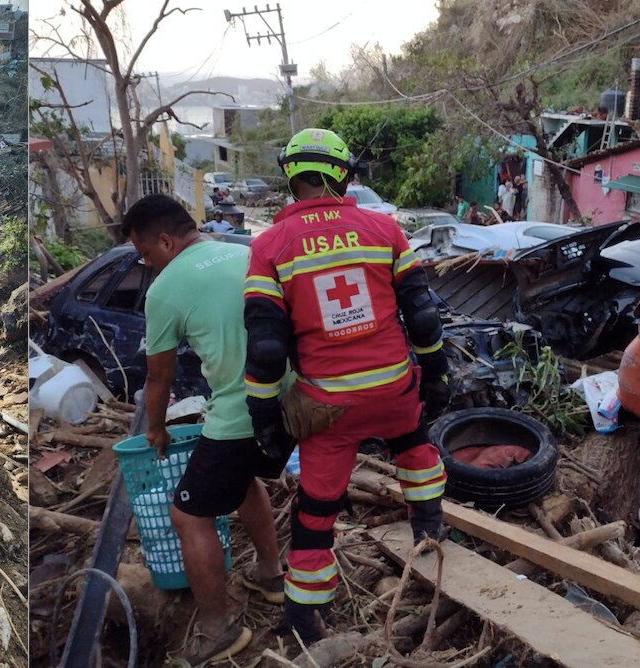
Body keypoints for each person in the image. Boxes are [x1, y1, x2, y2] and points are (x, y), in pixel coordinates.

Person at [243, 128, 449, 645]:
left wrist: (264, 416)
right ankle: (429, 531)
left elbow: (266, 350)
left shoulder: (269, 246)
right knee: (415, 446)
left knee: (316, 509)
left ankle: (306, 615)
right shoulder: (384, 229)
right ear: (343, 176)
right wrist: (437, 374)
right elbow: (423, 318)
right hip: (393, 389)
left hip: (328, 408)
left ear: (291, 179)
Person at [122, 194, 288, 666]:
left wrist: (156, 430)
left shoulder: (165, 289)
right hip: (293, 401)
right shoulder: (246, 253)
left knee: (188, 517)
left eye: (144, 252)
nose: (145, 263)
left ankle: (218, 628)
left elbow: (159, 377)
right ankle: (272, 575)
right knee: (243, 479)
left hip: (241, 412)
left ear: (165, 241)